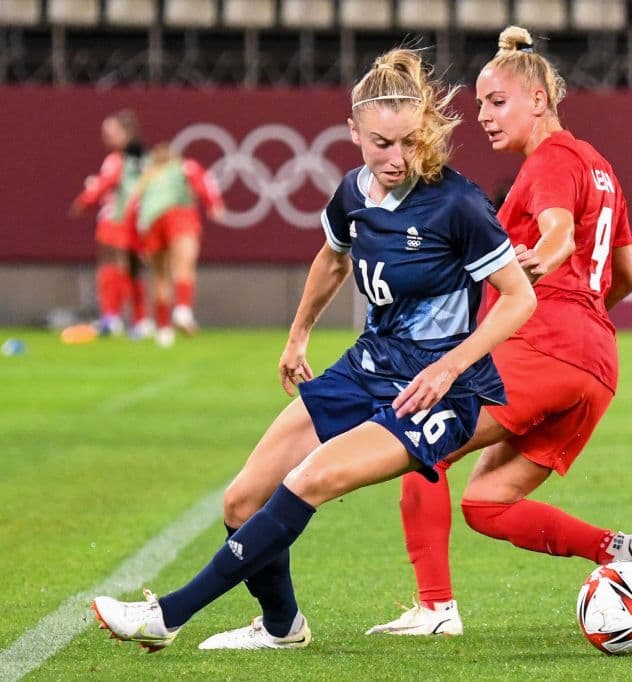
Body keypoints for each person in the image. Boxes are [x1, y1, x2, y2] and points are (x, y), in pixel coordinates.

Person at [89, 48, 536, 652]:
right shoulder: (352, 192)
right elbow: (332, 257)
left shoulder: (457, 204)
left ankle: (167, 615)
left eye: (409, 141)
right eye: (381, 143)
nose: (397, 158)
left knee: (309, 479)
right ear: (353, 132)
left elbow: (518, 299)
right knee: (243, 499)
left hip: (439, 391)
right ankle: (282, 627)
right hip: (367, 366)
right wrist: (298, 333)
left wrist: (449, 365)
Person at [366, 26, 632, 637]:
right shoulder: (600, 168)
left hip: (543, 347)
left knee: (421, 442)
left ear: (539, 100)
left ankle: (435, 609)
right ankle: (616, 549)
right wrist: (580, 303)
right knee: (486, 503)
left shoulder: (549, 161)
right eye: (479, 105)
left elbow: (555, 231)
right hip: (596, 365)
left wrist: (547, 260)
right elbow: (628, 276)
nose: (484, 117)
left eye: (497, 102)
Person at [128, 143, 224, 347]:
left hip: (151, 222)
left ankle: (163, 331)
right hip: (179, 216)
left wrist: (140, 242)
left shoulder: (148, 177)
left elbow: (134, 209)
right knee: (183, 267)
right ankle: (182, 310)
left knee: (160, 276)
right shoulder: (183, 166)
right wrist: (213, 204)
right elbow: (203, 181)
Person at [69, 110, 152, 337]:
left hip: (116, 220)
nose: (106, 136)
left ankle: (111, 317)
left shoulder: (116, 160)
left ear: (126, 133)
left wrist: (83, 201)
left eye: (111, 131)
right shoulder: (143, 159)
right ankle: (140, 319)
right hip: (138, 221)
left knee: (110, 266)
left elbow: (105, 184)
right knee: (133, 270)